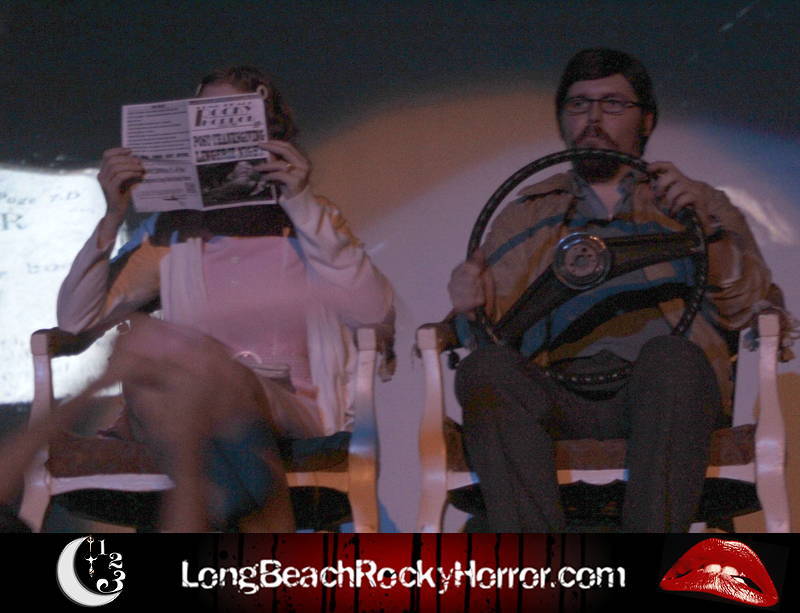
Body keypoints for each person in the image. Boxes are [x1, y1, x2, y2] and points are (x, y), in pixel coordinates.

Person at [447, 48, 773, 532]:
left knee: (673, 359)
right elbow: (489, 336)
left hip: (663, 397)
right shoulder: (524, 214)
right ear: (562, 119)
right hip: (558, 398)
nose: (594, 119)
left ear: (647, 120)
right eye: (579, 104)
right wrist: (468, 309)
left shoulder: (694, 202)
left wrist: (708, 230)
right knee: (485, 370)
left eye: (613, 104)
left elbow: (747, 303)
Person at [56, 66, 394, 531]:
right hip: (184, 402)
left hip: (284, 405)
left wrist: (300, 201)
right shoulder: (174, 233)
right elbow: (76, 320)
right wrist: (113, 217)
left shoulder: (309, 222)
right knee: (167, 382)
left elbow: (372, 312)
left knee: (193, 384)